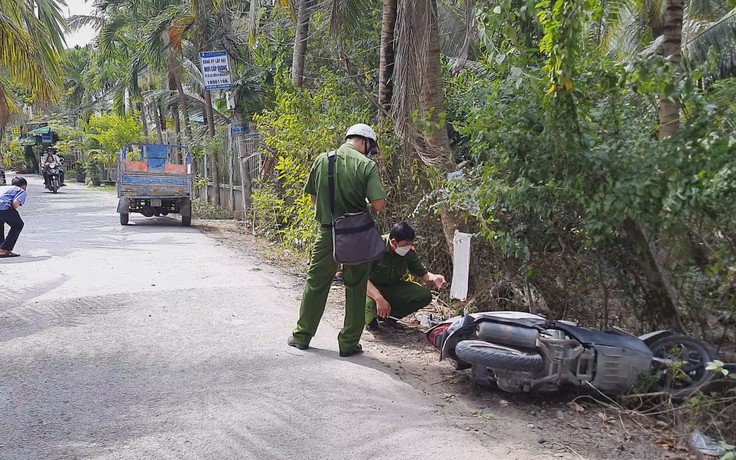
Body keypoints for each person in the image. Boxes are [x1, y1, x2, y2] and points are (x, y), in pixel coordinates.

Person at [289, 124, 387, 357]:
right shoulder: (367, 165)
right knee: (356, 286)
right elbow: (379, 204)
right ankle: (348, 344)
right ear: (364, 142)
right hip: (356, 235)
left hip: (327, 233)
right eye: (369, 148)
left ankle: (302, 336)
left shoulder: (323, 160)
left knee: (316, 283)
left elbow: (313, 199)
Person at [365, 221, 447, 331]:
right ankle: (371, 321)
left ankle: (388, 318)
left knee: (423, 295)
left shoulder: (408, 251)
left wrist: (434, 278)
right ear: (393, 242)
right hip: (369, 288)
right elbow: (362, 279)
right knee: (370, 305)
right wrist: (378, 298)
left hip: (392, 287)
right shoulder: (374, 246)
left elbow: (423, 274)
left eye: (410, 245)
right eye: (404, 245)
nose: (407, 248)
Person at [0, 177, 28, 258]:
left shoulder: (3, 187)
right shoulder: (21, 190)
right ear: (24, 186)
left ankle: (1, 248)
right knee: (18, 225)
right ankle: (5, 249)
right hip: (3, 207)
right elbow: (15, 204)